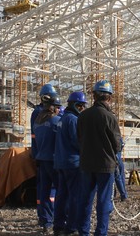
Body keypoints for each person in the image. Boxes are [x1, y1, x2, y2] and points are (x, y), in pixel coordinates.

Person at [77, 80, 122, 236]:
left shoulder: (83, 116)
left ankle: (83, 231)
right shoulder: (110, 117)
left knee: (85, 199)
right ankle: (100, 232)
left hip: (86, 164)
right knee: (103, 200)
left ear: (94, 96)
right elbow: (117, 145)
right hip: (105, 165)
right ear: (109, 98)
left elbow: (79, 138)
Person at [53, 91, 87, 235]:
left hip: (61, 162)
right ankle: (71, 227)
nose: (83, 109)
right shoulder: (73, 119)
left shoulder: (62, 118)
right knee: (75, 196)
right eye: (82, 106)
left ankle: (58, 225)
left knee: (61, 195)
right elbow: (77, 142)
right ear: (77, 105)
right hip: (73, 163)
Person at [33, 90, 62, 235]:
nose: (59, 110)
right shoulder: (56, 121)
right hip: (54, 162)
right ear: (54, 107)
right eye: (58, 107)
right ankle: (60, 220)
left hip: (41, 160)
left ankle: (46, 221)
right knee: (61, 191)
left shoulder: (37, 123)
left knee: (44, 192)